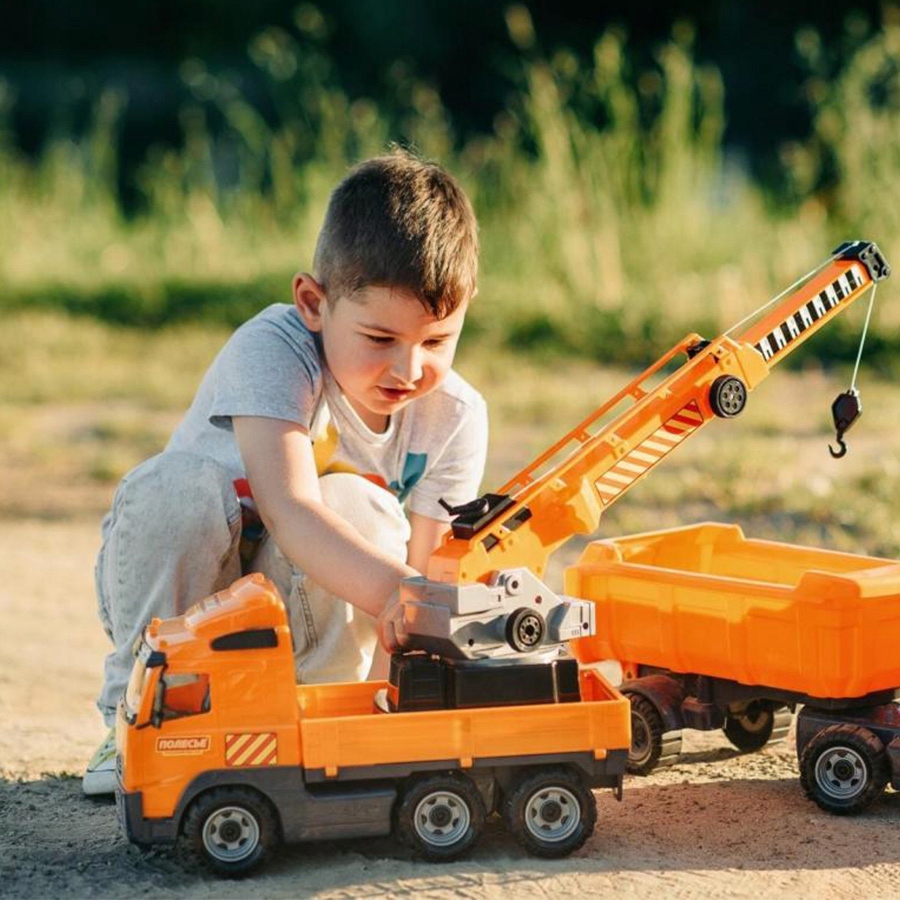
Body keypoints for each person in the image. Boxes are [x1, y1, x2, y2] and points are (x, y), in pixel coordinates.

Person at [83, 149, 487, 795]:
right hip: (197, 580)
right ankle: (143, 717)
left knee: (361, 505)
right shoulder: (272, 350)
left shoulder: (455, 417)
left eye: (436, 342)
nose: (409, 370)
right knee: (178, 487)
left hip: (306, 608)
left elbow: (430, 567)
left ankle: (317, 718)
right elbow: (289, 508)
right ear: (313, 302)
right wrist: (397, 596)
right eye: (380, 339)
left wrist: (412, 699)